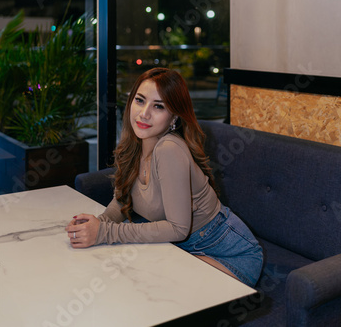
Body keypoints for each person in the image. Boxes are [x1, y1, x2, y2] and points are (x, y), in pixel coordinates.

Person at [65, 67, 263, 287]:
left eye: (158, 106)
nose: (144, 113)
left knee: (150, 288)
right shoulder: (135, 145)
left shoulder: (169, 149)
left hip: (228, 253)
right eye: (140, 100)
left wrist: (104, 232)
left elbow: (178, 229)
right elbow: (121, 200)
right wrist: (97, 224)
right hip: (181, 245)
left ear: (174, 117)